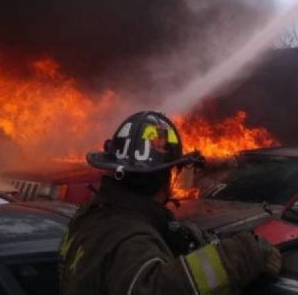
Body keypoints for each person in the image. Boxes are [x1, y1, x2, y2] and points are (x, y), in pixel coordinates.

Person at [58, 111, 281, 294]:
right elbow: (156, 287)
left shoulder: (91, 214)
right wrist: (242, 253)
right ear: (165, 177)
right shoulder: (131, 238)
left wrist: (182, 234)